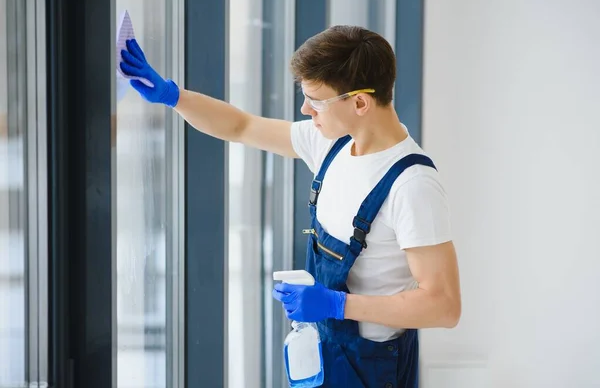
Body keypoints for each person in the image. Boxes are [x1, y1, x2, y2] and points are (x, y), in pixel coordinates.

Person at [120, 25, 461, 387]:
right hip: (323, 352)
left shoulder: (412, 186)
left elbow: (444, 305)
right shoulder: (332, 145)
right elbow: (241, 126)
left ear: (360, 102)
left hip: (372, 368)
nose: (304, 109)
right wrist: (174, 96)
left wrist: (337, 306)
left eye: (315, 100)